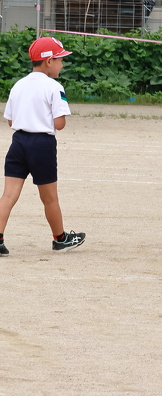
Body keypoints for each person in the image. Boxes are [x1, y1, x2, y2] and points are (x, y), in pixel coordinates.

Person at [0, 36, 85, 256]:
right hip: (42, 146)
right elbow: (60, 124)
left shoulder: (18, 85)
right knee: (49, 198)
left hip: (18, 143)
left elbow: (10, 120)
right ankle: (60, 239)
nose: (62, 64)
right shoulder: (54, 87)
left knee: (8, 196)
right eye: (60, 60)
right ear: (49, 61)